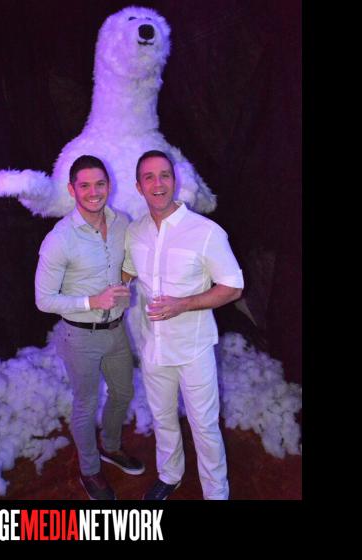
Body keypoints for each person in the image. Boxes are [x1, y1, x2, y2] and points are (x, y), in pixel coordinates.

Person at [122, 150, 244, 500]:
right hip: (153, 347)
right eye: (149, 177)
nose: (158, 183)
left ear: (174, 181)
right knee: (162, 418)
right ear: (139, 186)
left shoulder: (205, 232)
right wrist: (109, 287)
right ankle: (170, 475)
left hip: (193, 348)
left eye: (164, 175)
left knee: (204, 426)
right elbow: (129, 271)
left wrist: (185, 303)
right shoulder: (135, 232)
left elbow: (233, 287)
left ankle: (216, 493)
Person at [35, 154, 144, 500]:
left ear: (109, 186)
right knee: (86, 403)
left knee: (123, 393)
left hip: (117, 330)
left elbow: (128, 257)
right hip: (80, 336)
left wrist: (126, 276)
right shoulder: (59, 239)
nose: (93, 192)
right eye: (85, 185)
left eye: (99, 184)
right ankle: (90, 469)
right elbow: (43, 299)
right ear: (72, 190)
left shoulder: (121, 221)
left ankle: (110, 446)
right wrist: (92, 301)